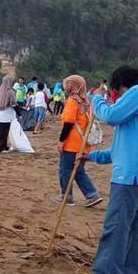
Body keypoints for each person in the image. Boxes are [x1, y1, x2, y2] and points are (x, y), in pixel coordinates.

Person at [76, 66, 138, 274]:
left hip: (131, 175)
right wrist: (90, 156)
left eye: (117, 94)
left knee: (116, 227)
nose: (117, 100)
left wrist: (95, 98)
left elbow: (111, 115)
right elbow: (118, 150)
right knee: (134, 229)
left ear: (122, 87)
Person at [54, 75, 102, 208]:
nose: (66, 86)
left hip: (72, 143)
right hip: (84, 143)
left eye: (68, 84)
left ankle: (66, 196)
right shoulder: (87, 101)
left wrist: (61, 141)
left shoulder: (73, 101)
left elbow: (68, 123)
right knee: (79, 170)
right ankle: (92, 194)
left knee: (65, 169)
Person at [0, 76, 17, 153]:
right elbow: (13, 103)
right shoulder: (10, 92)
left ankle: (4, 146)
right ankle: (0, 148)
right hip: (6, 115)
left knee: (1, 131)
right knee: (5, 132)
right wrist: (19, 113)